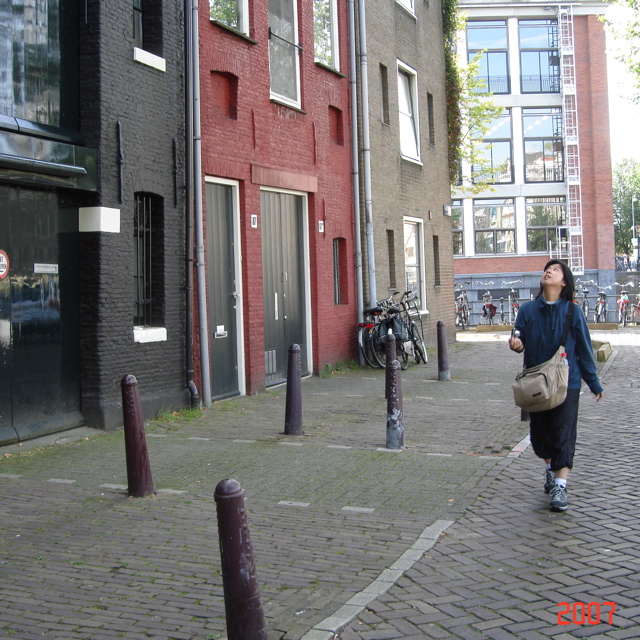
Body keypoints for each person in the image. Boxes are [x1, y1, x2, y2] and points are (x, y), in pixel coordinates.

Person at [508, 260, 604, 512]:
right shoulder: (527, 310)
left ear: (564, 283)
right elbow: (518, 337)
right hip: (536, 382)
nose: (548, 271)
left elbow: (584, 350)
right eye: (547, 269)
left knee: (563, 431)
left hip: (566, 382)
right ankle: (550, 468)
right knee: (540, 436)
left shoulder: (573, 312)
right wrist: (516, 344)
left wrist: (593, 382)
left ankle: (560, 485)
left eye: (555, 269)